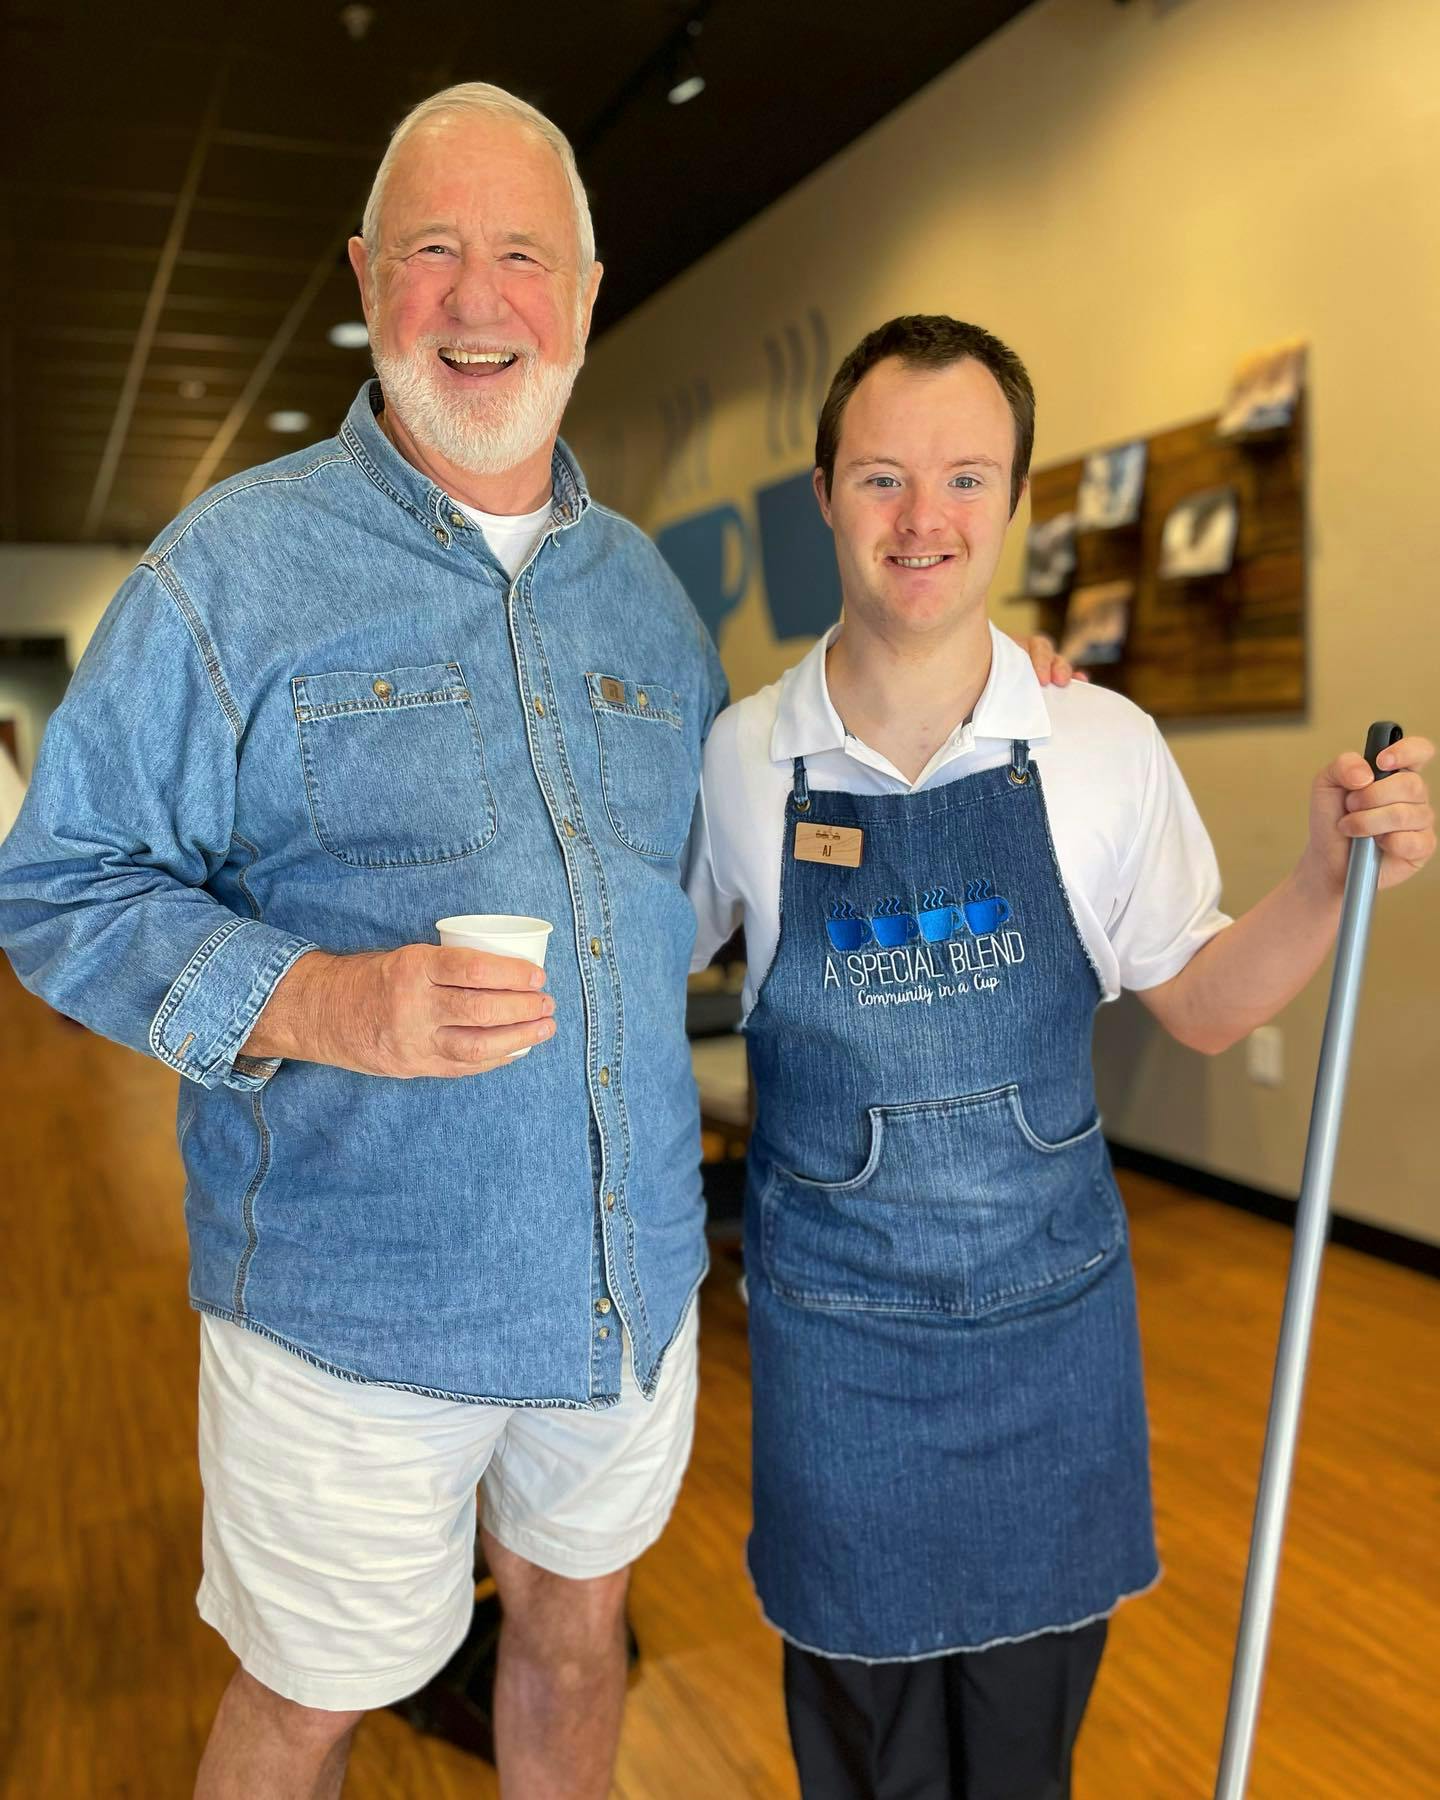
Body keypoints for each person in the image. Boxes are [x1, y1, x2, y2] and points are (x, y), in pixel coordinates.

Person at [0, 84, 1076, 1798]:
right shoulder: (231, 574)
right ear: (367, 274)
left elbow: (759, 833)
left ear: (582, 288)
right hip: (357, 1316)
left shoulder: (647, 602)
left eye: (522, 254)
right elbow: (57, 886)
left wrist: (1009, 695)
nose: (479, 298)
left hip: (622, 1289)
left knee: (578, 1643)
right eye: (435, 250)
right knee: (306, 1701)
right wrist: (320, 996)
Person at [686, 314, 1434, 1800]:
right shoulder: (741, 759)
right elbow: (643, 981)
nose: (924, 519)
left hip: (1049, 1350)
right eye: (884, 477)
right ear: (825, 491)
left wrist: (1321, 880)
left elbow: (1209, 1006)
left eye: (968, 479)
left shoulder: (1102, 748)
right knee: (869, 1773)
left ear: (1017, 501)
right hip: (840, 1360)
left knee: (1027, 1767)